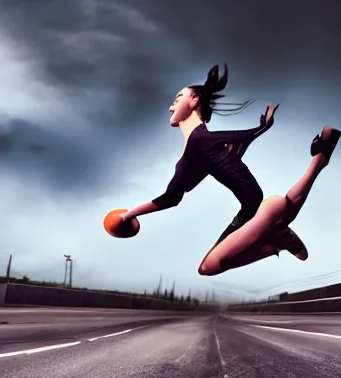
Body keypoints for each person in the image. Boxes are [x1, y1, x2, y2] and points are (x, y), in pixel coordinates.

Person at [118, 63, 305, 260]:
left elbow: (172, 197)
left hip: (254, 211)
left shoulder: (200, 140)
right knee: (210, 264)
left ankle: (276, 236)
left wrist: (128, 215)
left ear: (194, 100)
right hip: (251, 210)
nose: (171, 107)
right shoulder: (197, 146)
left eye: (177, 99)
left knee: (210, 265)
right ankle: (275, 236)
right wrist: (260, 129)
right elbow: (175, 195)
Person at [199, 125, 341, 275]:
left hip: (257, 210)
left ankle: (271, 241)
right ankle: (319, 160)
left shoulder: (201, 143)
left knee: (207, 267)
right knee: (209, 266)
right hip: (257, 212)